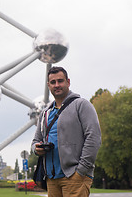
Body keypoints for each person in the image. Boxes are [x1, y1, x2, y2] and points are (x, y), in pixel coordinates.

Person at [31, 66, 101, 197]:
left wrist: (80, 171)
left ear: (68, 82)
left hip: (74, 176)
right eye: (53, 82)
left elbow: (94, 137)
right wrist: (37, 148)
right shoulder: (45, 113)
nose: (57, 85)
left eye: (60, 81)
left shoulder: (81, 105)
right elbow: (35, 141)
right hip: (51, 179)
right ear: (48, 85)